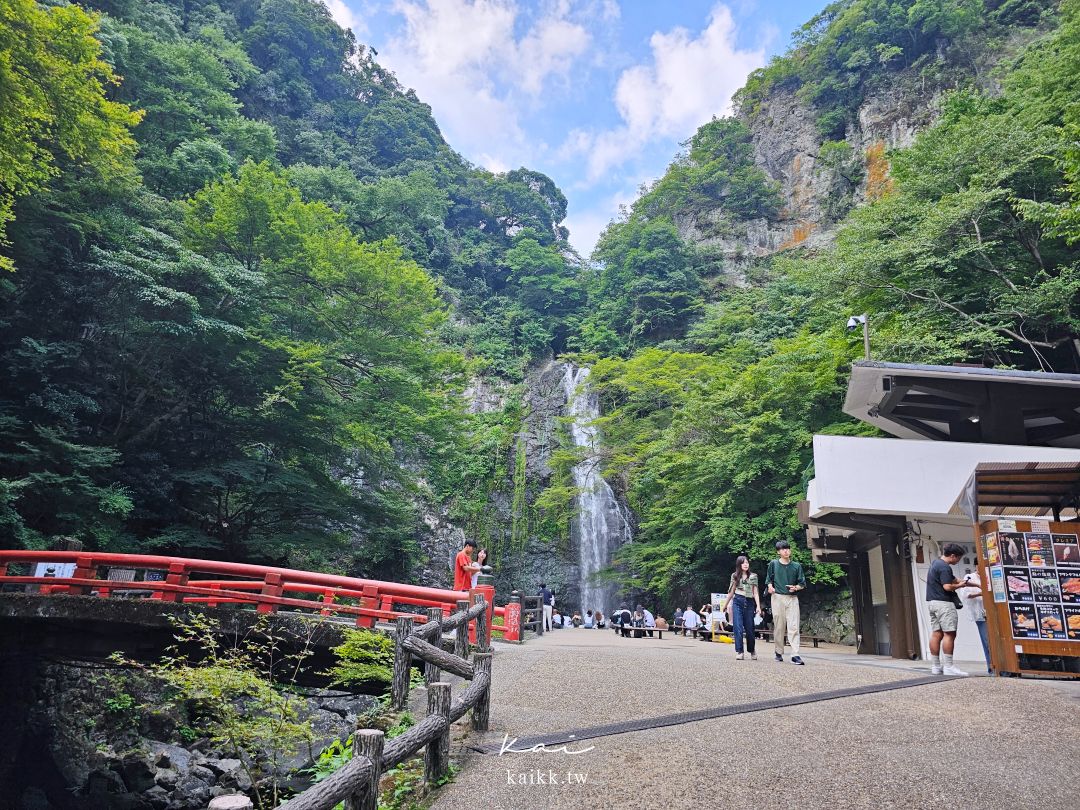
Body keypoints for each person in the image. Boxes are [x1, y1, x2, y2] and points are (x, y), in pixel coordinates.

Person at [926, 543, 973, 676]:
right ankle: (949, 666)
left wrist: (973, 584)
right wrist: (959, 586)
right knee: (949, 634)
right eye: (958, 558)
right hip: (944, 604)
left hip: (933, 603)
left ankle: (936, 666)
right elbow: (947, 586)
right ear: (952, 556)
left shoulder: (936, 563)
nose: (958, 561)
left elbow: (954, 580)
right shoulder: (945, 567)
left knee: (936, 633)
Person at [766, 540, 807, 665]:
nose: (786, 551)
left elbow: (802, 583)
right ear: (778, 552)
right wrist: (770, 587)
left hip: (792, 598)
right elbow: (768, 580)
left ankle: (795, 654)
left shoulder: (796, 566)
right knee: (779, 626)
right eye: (783, 549)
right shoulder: (773, 564)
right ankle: (778, 651)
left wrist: (796, 587)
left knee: (794, 626)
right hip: (777, 597)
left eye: (788, 549)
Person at [723, 555, 762, 660]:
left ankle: (752, 650)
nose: (745, 564)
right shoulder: (735, 576)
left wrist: (758, 606)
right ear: (739, 564)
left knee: (750, 629)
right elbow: (731, 592)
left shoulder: (753, 576)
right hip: (737, 601)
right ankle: (740, 651)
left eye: (747, 563)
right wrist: (725, 605)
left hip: (749, 602)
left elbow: (756, 592)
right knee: (738, 627)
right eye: (743, 562)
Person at [958, 570, 990, 674]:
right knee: (986, 640)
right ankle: (991, 666)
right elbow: (965, 595)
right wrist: (979, 593)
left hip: (994, 612)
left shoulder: (990, 573)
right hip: (980, 613)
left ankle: (1000, 667)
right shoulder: (969, 577)